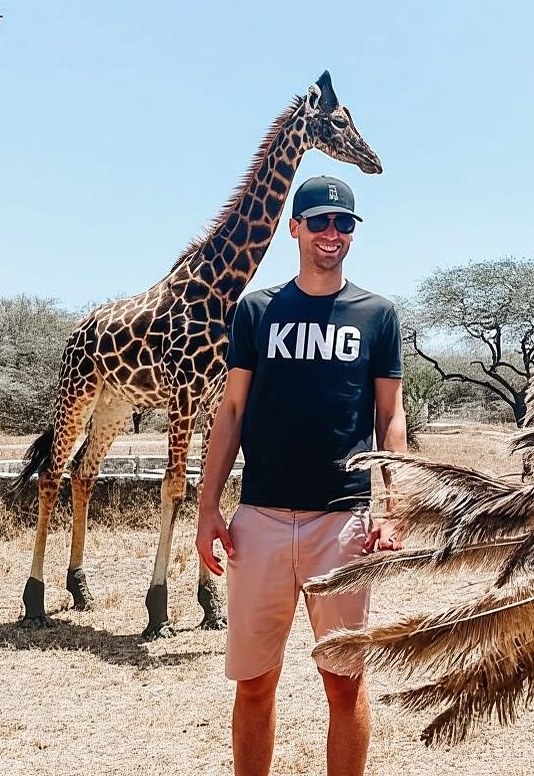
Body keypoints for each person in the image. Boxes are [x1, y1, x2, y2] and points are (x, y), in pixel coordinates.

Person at [195, 174, 406, 776]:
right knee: (256, 684)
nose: (332, 234)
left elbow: (389, 416)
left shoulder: (378, 315)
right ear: (295, 228)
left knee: (344, 685)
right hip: (258, 519)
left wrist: (393, 510)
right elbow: (231, 410)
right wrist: (209, 508)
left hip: (342, 524)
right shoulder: (258, 310)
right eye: (319, 222)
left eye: (343, 224)